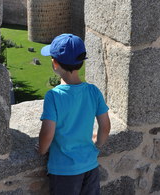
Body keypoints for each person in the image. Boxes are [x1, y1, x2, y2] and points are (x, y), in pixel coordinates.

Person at [36, 33, 111, 195]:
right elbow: (105, 127)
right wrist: (97, 144)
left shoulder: (54, 96)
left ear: (55, 63)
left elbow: (48, 133)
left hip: (64, 170)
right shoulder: (93, 91)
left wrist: (41, 150)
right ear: (81, 63)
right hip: (90, 165)